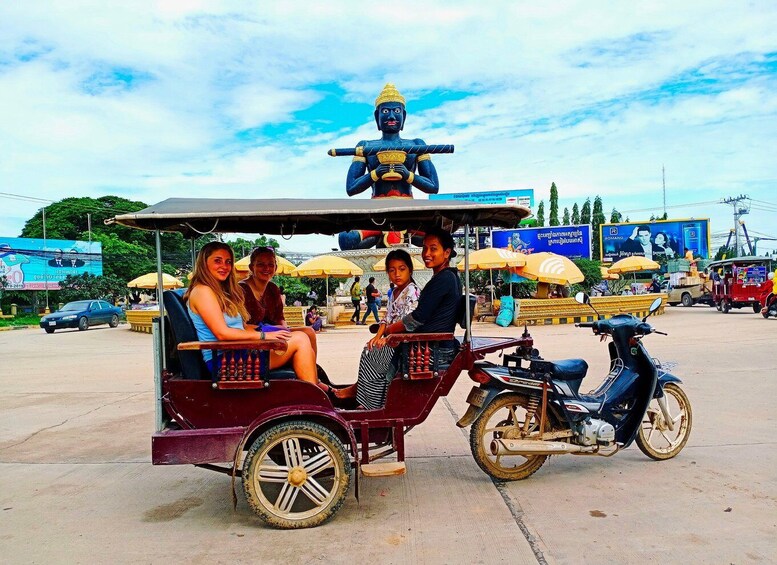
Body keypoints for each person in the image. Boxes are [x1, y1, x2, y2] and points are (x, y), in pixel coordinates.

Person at [184, 242, 332, 392]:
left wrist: (274, 332)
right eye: (218, 261)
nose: (224, 266)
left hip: (239, 352)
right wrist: (264, 335)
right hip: (226, 361)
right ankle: (315, 394)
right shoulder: (202, 291)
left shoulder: (219, 291)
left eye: (228, 262)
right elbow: (222, 333)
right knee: (300, 339)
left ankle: (314, 386)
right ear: (204, 262)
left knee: (301, 334)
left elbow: (240, 326)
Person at [340, 228, 461, 409]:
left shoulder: (443, 279)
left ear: (447, 252)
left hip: (427, 346)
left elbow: (416, 318)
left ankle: (370, 406)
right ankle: (366, 398)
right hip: (420, 342)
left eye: (433, 249)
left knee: (374, 356)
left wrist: (389, 333)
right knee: (372, 352)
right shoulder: (444, 277)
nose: (427, 254)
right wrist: (385, 333)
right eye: (425, 248)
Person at [338, 84, 441, 250]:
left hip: (409, 214)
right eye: (385, 112)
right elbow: (351, 188)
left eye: (397, 111)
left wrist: (408, 175)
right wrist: (375, 173)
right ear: (376, 117)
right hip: (376, 215)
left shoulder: (416, 145)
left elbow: (433, 186)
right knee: (346, 238)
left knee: (441, 233)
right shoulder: (365, 146)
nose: (391, 116)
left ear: (404, 116)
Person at [239, 246, 318, 355]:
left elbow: (280, 318)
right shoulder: (241, 290)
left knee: (309, 332)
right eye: (261, 264)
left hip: (273, 331)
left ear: (275, 268)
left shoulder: (273, 288)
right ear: (252, 267)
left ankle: (311, 366)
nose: (266, 268)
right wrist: (273, 330)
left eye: (270, 265)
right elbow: (240, 326)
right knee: (300, 339)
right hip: (252, 335)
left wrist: (284, 330)